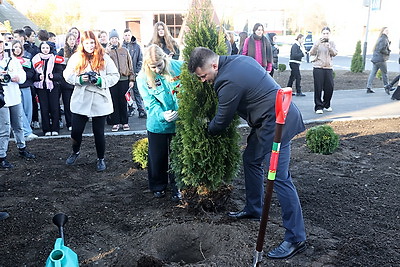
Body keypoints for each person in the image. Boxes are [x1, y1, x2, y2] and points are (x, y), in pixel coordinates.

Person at [188, 47, 306, 259]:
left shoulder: (227, 81)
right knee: (250, 159)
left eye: (203, 76)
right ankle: (253, 208)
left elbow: (222, 121)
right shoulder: (239, 60)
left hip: (279, 123)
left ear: (214, 65)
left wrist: (205, 127)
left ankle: (296, 238)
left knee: (279, 178)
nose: (203, 81)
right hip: (266, 123)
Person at [63, 30, 119, 172]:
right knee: (76, 131)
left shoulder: (104, 57)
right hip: (81, 98)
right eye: (87, 43)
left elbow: (115, 75)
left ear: (96, 43)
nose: (90, 45)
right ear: (82, 43)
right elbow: (67, 75)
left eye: (92, 42)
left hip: (100, 99)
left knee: (98, 132)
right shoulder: (76, 57)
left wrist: (101, 80)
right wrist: (79, 79)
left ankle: (101, 158)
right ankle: (75, 151)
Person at [136, 44, 182, 202]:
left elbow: (188, 92)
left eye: (159, 66)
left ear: (165, 59)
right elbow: (150, 103)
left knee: (178, 156)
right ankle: (158, 186)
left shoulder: (180, 67)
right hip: (158, 123)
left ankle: (178, 186)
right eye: (152, 67)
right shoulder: (142, 78)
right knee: (158, 157)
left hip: (179, 121)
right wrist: (162, 115)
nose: (156, 70)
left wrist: (181, 111)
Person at [0, 35, 36, 170]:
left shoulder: (13, 60)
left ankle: (22, 148)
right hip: (2, 99)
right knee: (4, 128)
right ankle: (2, 155)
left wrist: (17, 78)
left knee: (18, 124)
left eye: (2, 43)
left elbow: (23, 75)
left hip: (14, 96)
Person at [106, 29, 135, 131]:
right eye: (112, 38)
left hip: (124, 78)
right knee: (114, 101)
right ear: (110, 40)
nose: (114, 40)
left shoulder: (124, 51)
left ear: (118, 39)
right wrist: (107, 52)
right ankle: (116, 122)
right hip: (112, 80)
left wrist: (131, 79)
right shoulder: (107, 52)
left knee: (123, 101)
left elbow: (130, 65)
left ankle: (125, 122)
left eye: (115, 38)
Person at [32, 41, 61, 136]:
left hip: (53, 87)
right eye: (43, 48)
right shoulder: (35, 59)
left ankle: (55, 128)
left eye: (47, 48)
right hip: (41, 87)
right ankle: (46, 129)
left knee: (54, 108)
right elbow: (32, 74)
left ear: (50, 49)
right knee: (44, 109)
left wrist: (53, 76)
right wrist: (37, 77)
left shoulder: (55, 59)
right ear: (40, 48)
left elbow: (60, 74)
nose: (45, 50)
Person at [11, 40, 38, 141]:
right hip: (15, 88)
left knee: (28, 110)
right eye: (15, 47)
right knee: (20, 111)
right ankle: (26, 131)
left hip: (26, 87)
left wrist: (22, 77)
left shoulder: (26, 60)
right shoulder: (9, 60)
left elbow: (31, 72)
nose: (17, 49)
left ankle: (26, 129)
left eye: (19, 47)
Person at [309, 26, 338, 114]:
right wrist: (317, 45)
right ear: (321, 34)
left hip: (328, 68)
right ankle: (318, 106)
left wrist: (329, 47)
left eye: (327, 33)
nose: (325, 35)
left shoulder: (332, 43)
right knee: (318, 88)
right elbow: (311, 52)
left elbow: (335, 53)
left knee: (329, 87)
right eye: (324, 33)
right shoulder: (317, 42)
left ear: (329, 34)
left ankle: (326, 104)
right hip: (318, 67)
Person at [122, 28, 146, 118]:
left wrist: (137, 71)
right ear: (123, 36)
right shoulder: (121, 47)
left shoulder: (137, 47)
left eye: (129, 35)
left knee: (137, 91)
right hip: (125, 74)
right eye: (126, 35)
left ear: (131, 35)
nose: (127, 37)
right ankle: (131, 108)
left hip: (135, 73)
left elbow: (140, 59)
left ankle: (141, 109)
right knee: (127, 93)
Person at [57, 32, 78, 131]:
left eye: (73, 39)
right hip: (66, 82)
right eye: (70, 39)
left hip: (77, 81)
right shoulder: (61, 52)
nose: (72, 41)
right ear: (66, 41)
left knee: (77, 103)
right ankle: (70, 123)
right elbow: (59, 67)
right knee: (68, 103)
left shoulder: (79, 51)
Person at [366, 27, 391, 93]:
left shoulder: (380, 38)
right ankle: (387, 86)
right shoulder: (384, 38)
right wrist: (388, 52)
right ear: (382, 31)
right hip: (381, 59)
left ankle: (369, 87)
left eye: (388, 30)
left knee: (373, 73)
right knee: (384, 73)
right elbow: (381, 49)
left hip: (376, 59)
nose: (387, 31)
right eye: (386, 30)